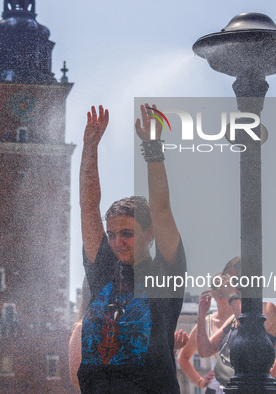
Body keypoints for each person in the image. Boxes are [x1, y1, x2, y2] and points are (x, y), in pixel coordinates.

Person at [77, 104, 186, 393]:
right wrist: (90, 146)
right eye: (111, 234)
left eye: (127, 233)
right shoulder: (103, 269)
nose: (116, 242)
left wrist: (152, 148)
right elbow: (88, 206)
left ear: (150, 232)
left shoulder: (166, 272)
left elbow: (161, 208)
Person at [196, 258, 276, 382]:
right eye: (226, 281)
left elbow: (249, 330)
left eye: (232, 280)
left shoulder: (267, 308)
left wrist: (269, 377)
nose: (227, 286)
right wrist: (201, 313)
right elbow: (205, 350)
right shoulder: (233, 318)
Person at [177, 273, 235, 393]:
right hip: (214, 388)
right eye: (215, 286)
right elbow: (183, 357)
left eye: (224, 285)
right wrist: (199, 381)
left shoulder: (241, 318)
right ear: (211, 292)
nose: (219, 289)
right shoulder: (206, 323)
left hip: (239, 387)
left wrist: (267, 374)